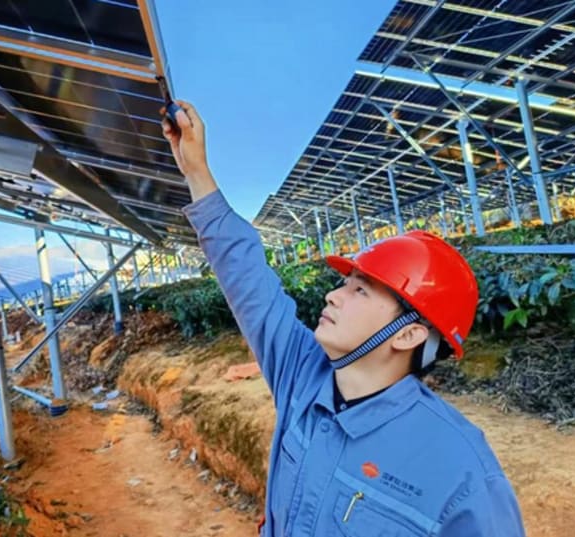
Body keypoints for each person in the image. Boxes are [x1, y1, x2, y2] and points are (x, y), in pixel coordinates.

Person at [161, 100, 525, 537]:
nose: (333, 295)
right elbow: (247, 279)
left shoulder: (461, 473)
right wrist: (196, 171)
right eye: (345, 283)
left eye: (359, 289)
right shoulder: (302, 376)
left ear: (408, 333)